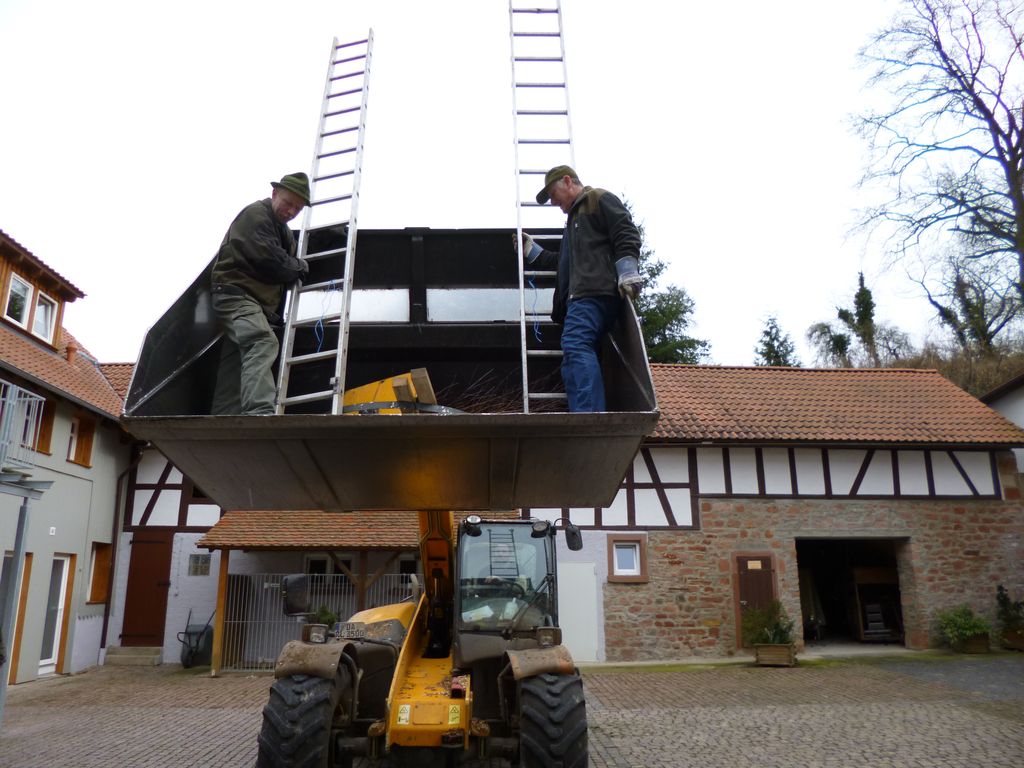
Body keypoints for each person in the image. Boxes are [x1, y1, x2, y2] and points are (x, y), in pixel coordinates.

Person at [523, 165, 642, 412]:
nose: (553, 202)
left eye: (553, 194)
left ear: (568, 181)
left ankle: (589, 415)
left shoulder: (597, 198)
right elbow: (562, 262)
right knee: (573, 354)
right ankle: (583, 412)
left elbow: (625, 231)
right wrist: (532, 251)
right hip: (584, 296)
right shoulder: (573, 225)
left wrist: (627, 270)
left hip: (592, 293)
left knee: (575, 344)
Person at [210, 172, 311, 415]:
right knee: (262, 341)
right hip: (236, 297)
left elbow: (285, 256)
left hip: (252, 303)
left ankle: (223, 420)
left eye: (297, 209)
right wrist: (300, 266)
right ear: (274, 193)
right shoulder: (256, 215)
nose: (291, 211)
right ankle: (260, 413)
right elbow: (272, 262)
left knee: (238, 361)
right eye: (288, 203)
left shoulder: (282, 231)